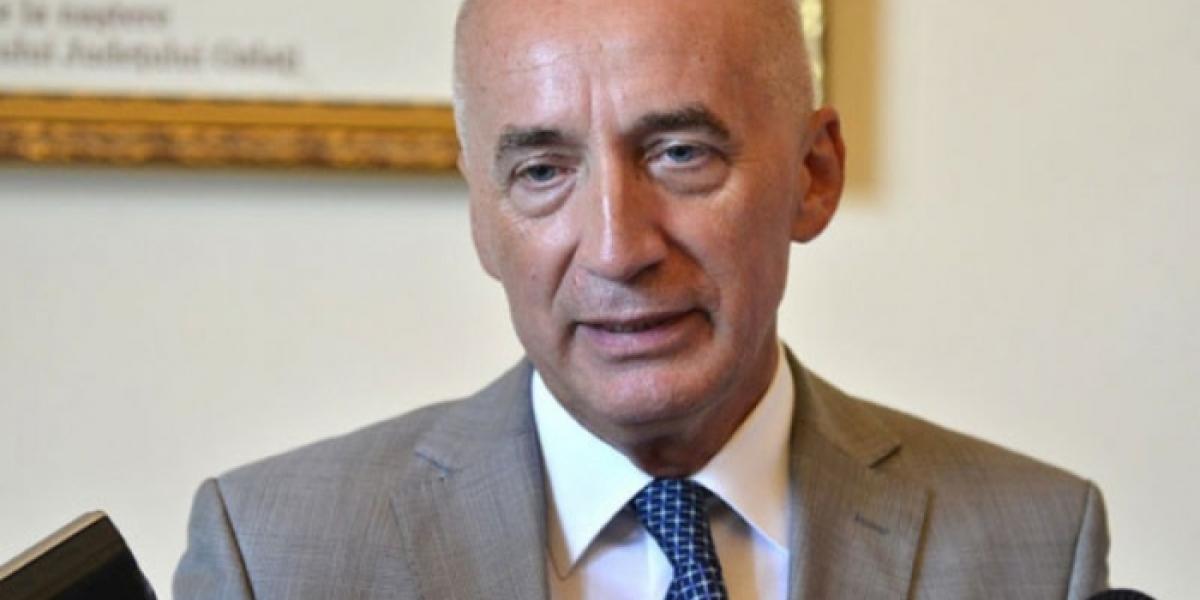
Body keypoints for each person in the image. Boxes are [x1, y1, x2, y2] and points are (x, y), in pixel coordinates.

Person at [174, 0, 1110, 598]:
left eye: (680, 154)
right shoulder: (275, 553)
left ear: (813, 175)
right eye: (543, 171)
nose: (619, 250)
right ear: (482, 218)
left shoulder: (1034, 549)